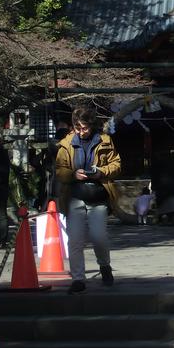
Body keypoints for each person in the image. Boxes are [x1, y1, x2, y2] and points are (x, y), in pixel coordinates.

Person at [55, 108, 121, 294]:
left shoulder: (105, 141)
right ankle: (78, 279)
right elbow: (60, 169)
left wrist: (101, 172)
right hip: (74, 195)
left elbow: (116, 164)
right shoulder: (66, 144)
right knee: (75, 239)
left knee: (98, 236)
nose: (81, 131)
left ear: (91, 125)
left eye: (85, 127)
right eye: (78, 127)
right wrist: (73, 173)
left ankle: (104, 265)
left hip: (98, 195)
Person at [150, 156, 174, 224]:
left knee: (163, 209)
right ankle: (169, 218)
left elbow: (154, 183)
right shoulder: (170, 171)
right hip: (171, 193)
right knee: (172, 212)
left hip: (163, 194)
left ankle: (162, 218)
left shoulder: (156, 171)